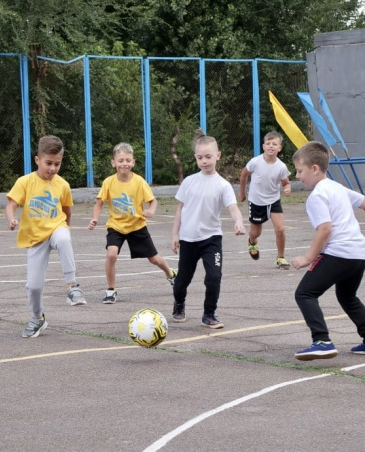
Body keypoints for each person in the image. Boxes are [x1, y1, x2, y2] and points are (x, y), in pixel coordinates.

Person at [290, 141, 365, 361]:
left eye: (300, 171)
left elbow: (325, 229)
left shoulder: (317, 195)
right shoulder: (337, 187)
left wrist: (308, 258)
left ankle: (322, 341)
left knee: (305, 293)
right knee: (347, 296)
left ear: (315, 168)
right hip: (359, 254)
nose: (298, 176)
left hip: (339, 253)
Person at [6, 135, 86, 338]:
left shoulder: (63, 185)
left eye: (57, 164)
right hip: (35, 238)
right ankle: (37, 318)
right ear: (37, 160)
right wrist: (11, 218)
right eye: (48, 163)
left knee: (64, 238)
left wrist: (64, 229)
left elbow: (67, 211)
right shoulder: (25, 182)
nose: (52, 168)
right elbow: (11, 204)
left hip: (56, 228)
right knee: (33, 287)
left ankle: (72, 286)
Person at [171, 128, 246, 329]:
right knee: (182, 280)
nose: (204, 161)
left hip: (211, 239)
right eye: (200, 157)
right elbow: (180, 209)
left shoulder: (223, 185)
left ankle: (209, 313)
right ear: (196, 158)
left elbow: (233, 208)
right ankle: (179, 303)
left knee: (214, 277)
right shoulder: (189, 182)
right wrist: (175, 234)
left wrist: (238, 222)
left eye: (208, 157)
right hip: (188, 239)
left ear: (218, 156)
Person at [88, 142, 176, 303]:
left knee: (154, 259)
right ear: (113, 162)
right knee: (111, 254)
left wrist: (151, 211)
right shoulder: (108, 182)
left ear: (133, 162)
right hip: (116, 226)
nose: (124, 164)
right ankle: (110, 290)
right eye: (121, 160)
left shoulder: (139, 182)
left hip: (137, 226)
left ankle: (171, 275)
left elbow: (153, 201)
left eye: (128, 160)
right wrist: (95, 218)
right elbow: (99, 203)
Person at [237, 131, 292, 269]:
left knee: (280, 229)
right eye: (268, 143)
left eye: (274, 144)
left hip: (273, 201)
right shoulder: (255, 162)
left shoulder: (281, 166)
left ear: (280, 148)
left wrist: (287, 188)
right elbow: (243, 175)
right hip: (256, 202)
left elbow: (286, 182)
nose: (271, 146)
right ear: (263, 146)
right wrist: (242, 193)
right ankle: (252, 241)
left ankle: (280, 258)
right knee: (256, 232)